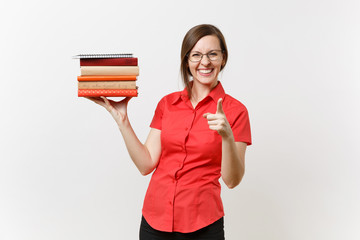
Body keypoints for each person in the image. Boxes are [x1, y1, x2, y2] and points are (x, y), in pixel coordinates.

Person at [87, 24, 252, 240]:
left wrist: (227, 137)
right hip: (155, 220)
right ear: (186, 61)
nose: (205, 62)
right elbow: (146, 164)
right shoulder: (167, 104)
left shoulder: (236, 111)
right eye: (196, 55)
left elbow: (232, 180)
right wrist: (122, 120)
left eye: (212, 54)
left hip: (202, 225)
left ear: (223, 58)